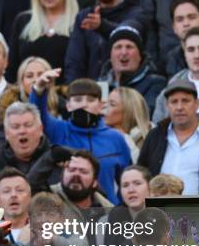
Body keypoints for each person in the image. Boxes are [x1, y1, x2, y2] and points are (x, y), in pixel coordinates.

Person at [30, 69, 132, 204]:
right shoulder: (59, 130)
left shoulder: (116, 138)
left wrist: (119, 208)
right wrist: (39, 89)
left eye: (91, 100)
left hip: (105, 212)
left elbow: (127, 179)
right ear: (68, 105)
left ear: (101, 105)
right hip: (65, 211)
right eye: (78, 99)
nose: (84, 104)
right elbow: (36, 114)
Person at [139, 79, 199, 195]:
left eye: (185, 101)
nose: (179, 107)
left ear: (197, 103)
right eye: (174, 102)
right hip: (161, 210)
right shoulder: (154, 136)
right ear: (167, 106)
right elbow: (142, 174)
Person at [64, 0, 145, 82]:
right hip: (91, 92)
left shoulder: (136, 13)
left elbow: (127, 32)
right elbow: (74, 62)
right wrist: (74, 91)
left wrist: (101, 26)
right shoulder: (84, 16)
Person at [7, 0, 79, 83]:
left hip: (67, 97)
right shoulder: (23, 21)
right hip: (28, 98)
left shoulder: (78, 22)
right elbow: (12, 70)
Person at [0, 102, 53, 205]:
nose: (22, 131)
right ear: (6, 134)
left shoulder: (60, 165)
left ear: (40, 129)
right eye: (15, 126)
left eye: (28, 125)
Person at [98, 24, 167, 114]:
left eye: (129, 47)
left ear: (140, 56)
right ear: (110, 56)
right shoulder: (101, 86)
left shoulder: (155, 83)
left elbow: (145, 115)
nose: (123, 52)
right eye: (118, 47)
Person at [0, 56, 61, 124]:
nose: (36, 80)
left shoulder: (63, 103)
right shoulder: (8, 105)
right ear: (21, 81)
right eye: (29, 76)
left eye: (41, 75)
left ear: (50, 79)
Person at [164, 0, 199, 77]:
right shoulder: (167, 61)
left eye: (191, 17)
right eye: (180, 19)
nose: (186, 23)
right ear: (174, 27)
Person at [104, 87, 153, 162]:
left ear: (129, 111)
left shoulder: (149, 139)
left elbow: (139, 168)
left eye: (112, 104)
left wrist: (124, 138)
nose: (103, 107)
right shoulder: (97, 135)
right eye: (104, 103)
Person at [0, 168, 32, 246]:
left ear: (30, 197)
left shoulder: (44, 231)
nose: (13, 195)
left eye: (20, 190)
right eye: (6, 191)